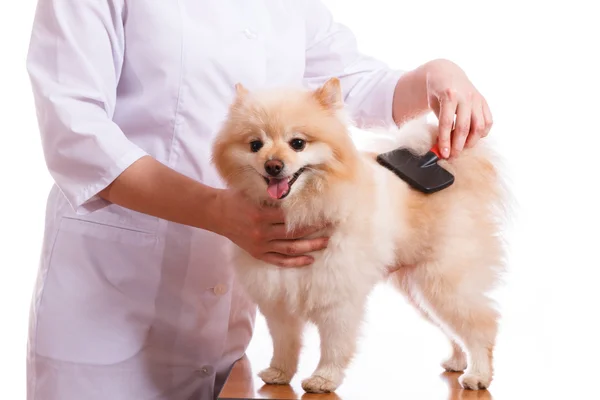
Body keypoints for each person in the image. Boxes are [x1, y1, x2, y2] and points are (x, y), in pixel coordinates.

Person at [25, 0, 493, 399]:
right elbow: (75, 131)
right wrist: (214, 211)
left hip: (228, 334)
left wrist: (435, 75)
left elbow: (343, 84)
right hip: (109, 317)